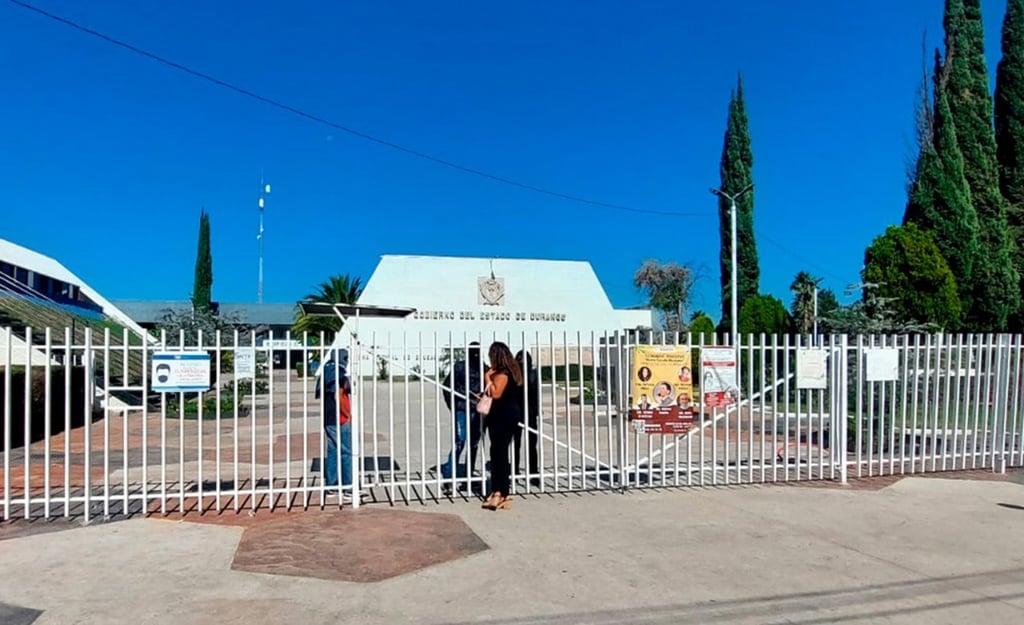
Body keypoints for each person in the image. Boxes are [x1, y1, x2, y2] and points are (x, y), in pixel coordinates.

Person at [481, 341, 523, 511]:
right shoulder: (512, 372)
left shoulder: (503, 374)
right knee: (498, 452)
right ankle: (499, 491)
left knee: (499, 454)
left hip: (502, 416)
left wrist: (487, 376)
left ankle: (500, 492)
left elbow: (496, 393)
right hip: (507, 414)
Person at [440, 342, 485, 488]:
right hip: (461, 409)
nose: (476, 355)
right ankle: (449, 476)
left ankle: (468, 475)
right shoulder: (459, 367)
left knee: (473, 444)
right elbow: (447, 387)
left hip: (477, 411)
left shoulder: (483, 368)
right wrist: (453, 406)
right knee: (460, 441)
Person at [316, 348, 355, 502]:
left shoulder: (326, 371)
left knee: (332, 452)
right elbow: (338, 394)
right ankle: (348, 487)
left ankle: (331, 486)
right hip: (339, 418)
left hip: (328, 417)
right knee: (346, 452)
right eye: (346, 357)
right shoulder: (338, 372)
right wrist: (347, 414)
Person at [513, 350, 541, 487]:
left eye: (524, 359)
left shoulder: (533, 374)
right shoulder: (514, 374)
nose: (522, 362)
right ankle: (515, 471)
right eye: (519, 359)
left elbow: (536, 394)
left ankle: (533, 473)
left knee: (532, 445)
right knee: (515, 444)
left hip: (529, 412)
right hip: (516, 411)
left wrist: (536, 412)